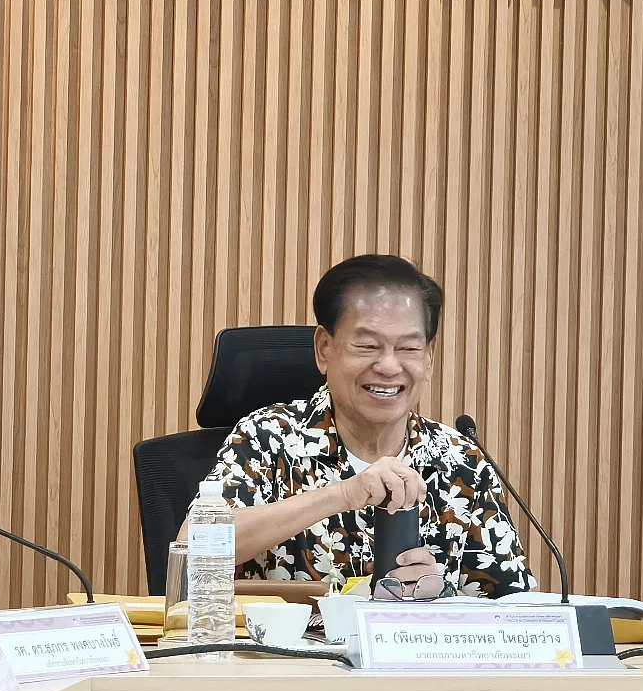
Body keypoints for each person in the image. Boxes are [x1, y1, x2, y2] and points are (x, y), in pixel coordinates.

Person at [197, 255, 534, 597]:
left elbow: (517, 609)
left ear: (428, 357)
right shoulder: (268, 437)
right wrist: (343, 494)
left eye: (408, 348)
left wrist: (440, 597)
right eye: (368, 346)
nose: (389, 366)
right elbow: (195, 551)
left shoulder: (462, 461)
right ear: (324, 349)